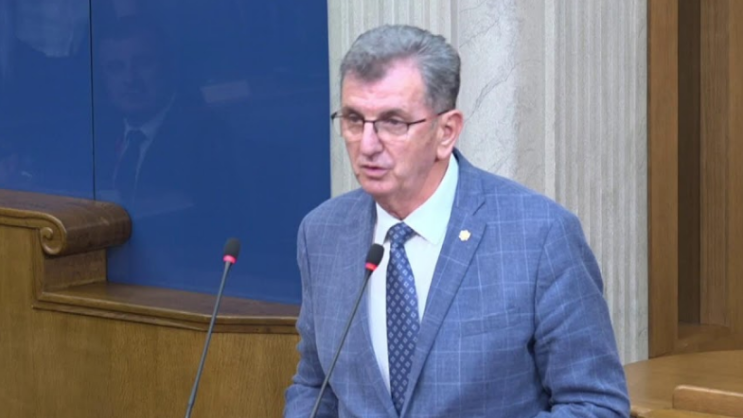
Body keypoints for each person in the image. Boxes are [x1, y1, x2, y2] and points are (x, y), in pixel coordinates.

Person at [284, 24, 629, 418]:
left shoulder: (539, 236)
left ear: (446, 132)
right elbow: (316, 386)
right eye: (353, 119)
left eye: (393, 122)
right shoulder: (323, 233)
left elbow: (595, 405)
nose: (367, 144)